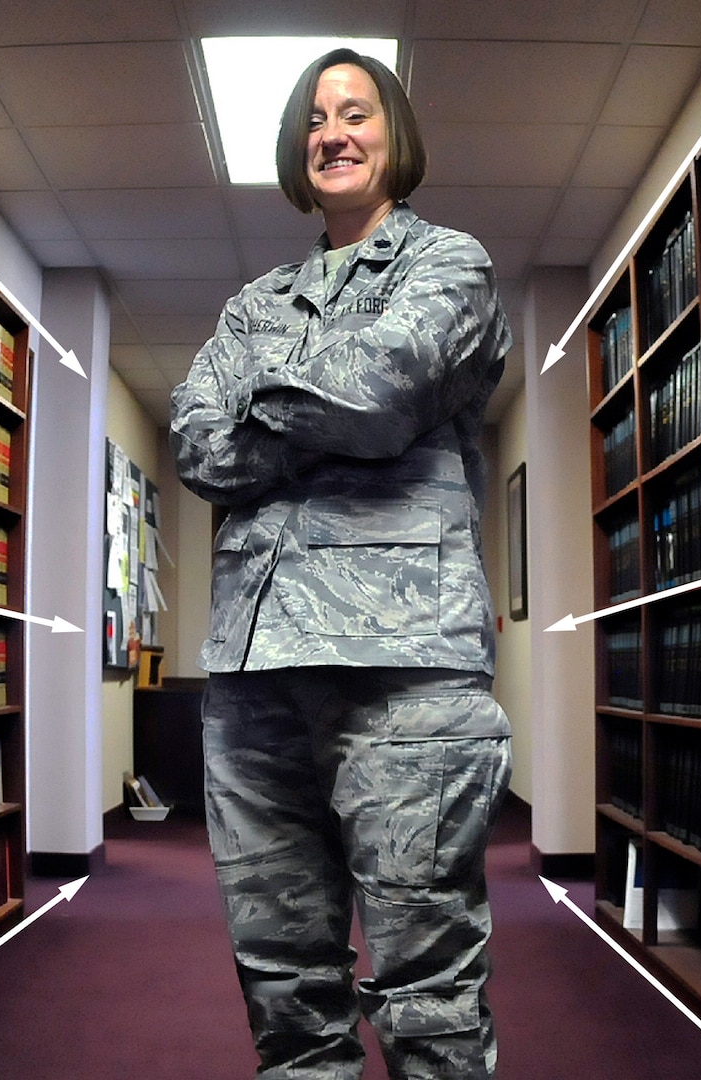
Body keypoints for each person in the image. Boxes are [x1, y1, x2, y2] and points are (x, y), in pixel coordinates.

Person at [168, 47, 514, 1080]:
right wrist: (325, 404)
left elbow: (384, 389)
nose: (334, 132)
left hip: (404, 669)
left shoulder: (450, 263)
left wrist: (265, 403)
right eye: (316, 117)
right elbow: (196, 442)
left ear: (392, 135)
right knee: (283, 987)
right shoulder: (250, 298)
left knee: (427, 992)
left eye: (356, 111)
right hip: (252, 677)